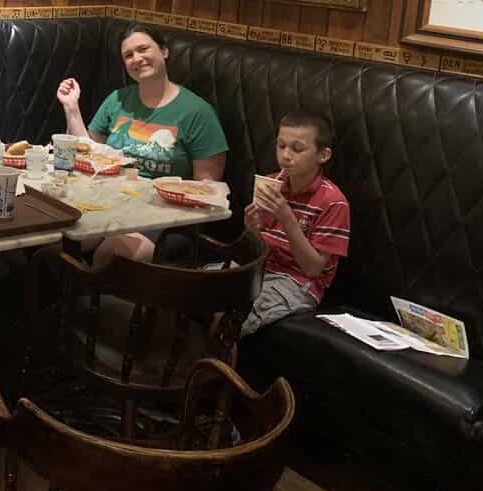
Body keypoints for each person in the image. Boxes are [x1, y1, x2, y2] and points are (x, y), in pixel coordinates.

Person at [57, 23, 228, 267]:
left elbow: (206, 189)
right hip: (108, 201)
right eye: (128, 55)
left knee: (112, 253)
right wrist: (71, 107)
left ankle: (85, 291)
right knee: (58, 239)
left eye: (143, 49)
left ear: (164, 51)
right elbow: (90, 155)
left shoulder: (197, 113)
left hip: (158, 215)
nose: (137, 58)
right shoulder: (117, 100)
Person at [241, 112, 350, 336]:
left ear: (323, 155)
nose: (286, 155)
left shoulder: (333, 202)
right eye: (281, 146)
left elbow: (312, 269)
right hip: (259, 270)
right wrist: (251, 229)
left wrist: (287, 217)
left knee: (238, 314)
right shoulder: (272, 183)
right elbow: (254, 250)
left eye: (297, 149)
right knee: (202, 286)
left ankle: (216, 367)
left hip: (298, 283)